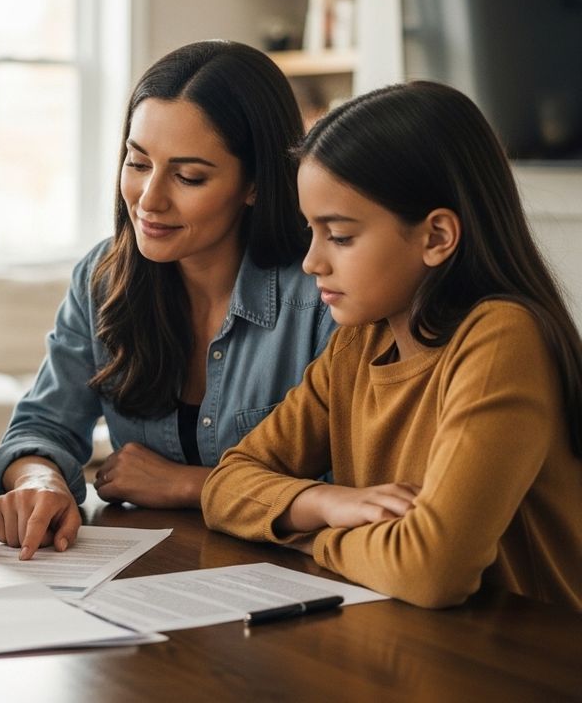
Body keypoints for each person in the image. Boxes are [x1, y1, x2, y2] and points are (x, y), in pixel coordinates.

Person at [202, 81, 582, 609]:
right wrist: (326, 501)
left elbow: (432, 570)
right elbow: (225, 487)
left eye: (339, 236)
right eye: (310, 231)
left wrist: (312, 536)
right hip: (416, 648)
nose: (312, 261)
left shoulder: (502, 337)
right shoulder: (356, 344)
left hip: (524, 664)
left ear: (436, 238)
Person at [0, 41, 335, 558]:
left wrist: (187, 483)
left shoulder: (321, 292)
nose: (148, 200)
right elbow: (42, 426)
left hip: (294, 577)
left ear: (255, 184)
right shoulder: (103, 279)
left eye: (189, 176)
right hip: (151, 571)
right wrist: (42, 479)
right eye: (138, 162)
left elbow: (346, 484)